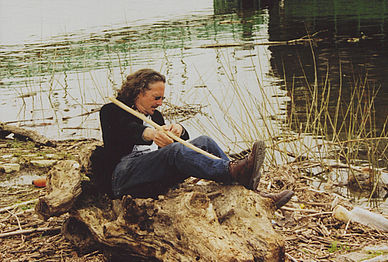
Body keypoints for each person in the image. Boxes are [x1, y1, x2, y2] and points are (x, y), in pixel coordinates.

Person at [99, 69, 293, 209]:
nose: (159, 103)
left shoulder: (155, 117)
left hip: (152, 176)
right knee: (174, 152)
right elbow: (125, 130)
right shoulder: (111, 110)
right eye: (156, 98)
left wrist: (179, 131)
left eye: (162, 99)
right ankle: (232, 170)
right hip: (123, 178)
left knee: (204, 142)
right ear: (139, 92)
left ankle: (251, 193)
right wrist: (149, 134)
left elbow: (173, 150)